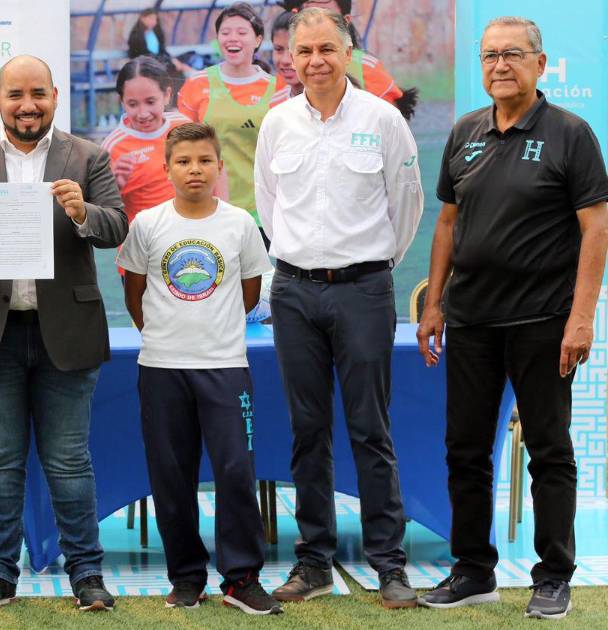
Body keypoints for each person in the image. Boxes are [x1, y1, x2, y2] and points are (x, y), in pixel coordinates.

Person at [416, 17, 608, 620]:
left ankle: (553, 577)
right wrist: (434, 302)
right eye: (490, 55)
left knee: (549, 452)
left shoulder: (571, 133)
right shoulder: (465, 132)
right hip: (471, 321)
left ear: (540, 64)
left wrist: (582, 317)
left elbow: (596, 228)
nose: (500, 65)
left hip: (543, 321)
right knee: (465, 451)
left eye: (513, 55)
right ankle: (473, 571)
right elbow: (448, 223)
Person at [0, 55, 128, 613]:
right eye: (15, 94)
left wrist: (82, 211)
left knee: (69, 461)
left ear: (54, 96)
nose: (27, 105)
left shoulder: (86, 156)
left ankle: (86, 573)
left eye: (38, 93)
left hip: (66, 331)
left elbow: (116, 225)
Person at [253, 8, 423, 609]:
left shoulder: (381, 119)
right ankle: (314, 562)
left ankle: (389, 565)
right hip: (294, 293)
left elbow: (406, 205)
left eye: (327, 48)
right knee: (308, 431)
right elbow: (270, 207)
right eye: (303, 51)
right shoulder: (278, 123)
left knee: (370, 429)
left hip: (364, 291)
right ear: (290, 58)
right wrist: (304, 263)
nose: (315, 61)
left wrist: (369, 266)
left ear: (349, 52)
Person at [117, 123, 279, 615]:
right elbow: (134, 292)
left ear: (219, 167)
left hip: (224, 366)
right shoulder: (148, 224)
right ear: (167, 168)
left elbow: (249, 294)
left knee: (235, 471)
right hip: (162, 367)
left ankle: (242, 579)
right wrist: (164, 334)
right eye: (184, 161)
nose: (195, 170)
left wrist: (214, 330)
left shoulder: (239, 224)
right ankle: (186, 577)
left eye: (205, 161)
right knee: (171, 477)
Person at [176, 3, 280, 235]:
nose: (233, 38)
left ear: (258, 40)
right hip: (209, 210)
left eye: (242, 32)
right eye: (225, 32)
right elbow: (179, 149)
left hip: (263, 211)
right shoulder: (196, 84)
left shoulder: (276, 89)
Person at [101, 55, 191, 277]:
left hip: (190, 250)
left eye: (150, 101)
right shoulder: (113, 147)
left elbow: (213, 175)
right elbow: (102, 213)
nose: (142, 113)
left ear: (167, 95)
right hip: (142, 260)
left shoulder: (185, 127)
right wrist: (116, 186)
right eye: (133, 104)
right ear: (122, 101)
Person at [278, 0, 418, 118]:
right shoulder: (283, 79)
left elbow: (390, 128)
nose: (316, 61)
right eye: (311, 15)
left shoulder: (366, 68)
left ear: (345, 22)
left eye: (327, 15)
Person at [126, 8, 192, 76]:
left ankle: (191, 74)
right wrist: (168, 61)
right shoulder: (136, 35)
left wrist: (173, 59)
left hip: (158, 60)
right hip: (146, 64)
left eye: (155, 19)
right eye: (151, 18)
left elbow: (162, 49)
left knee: (189, 57)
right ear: (142, 18)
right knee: (175, 68)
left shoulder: (155, 32)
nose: (154, 22)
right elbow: (144, 55)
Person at [270, 11, 302, 102]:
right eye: (278, 49)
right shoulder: (275, 103)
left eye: (295, 50)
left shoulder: (336, 102)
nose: (285, 60)